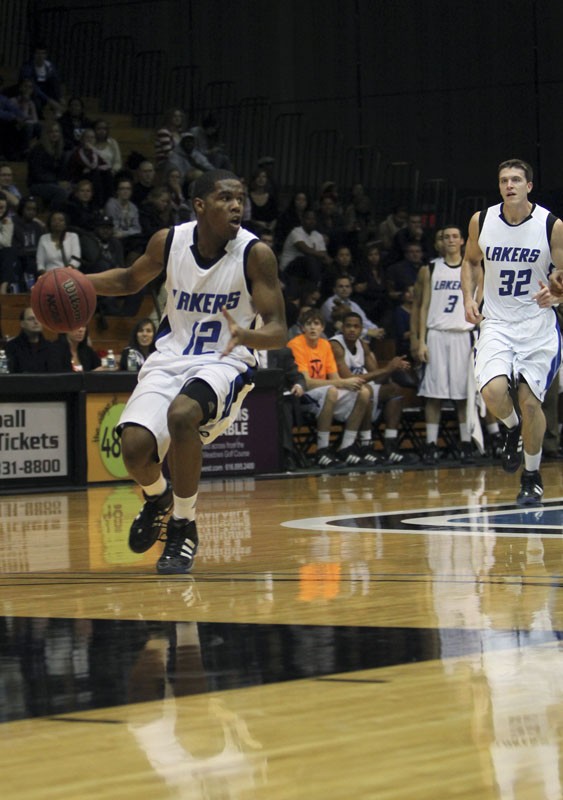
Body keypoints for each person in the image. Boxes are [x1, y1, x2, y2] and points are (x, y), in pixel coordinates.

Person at [86, 169, 287, 575]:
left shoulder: (255, 254)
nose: (237, 205)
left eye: (240, 197)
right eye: (225, 198)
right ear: (199, 205)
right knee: (134, 449)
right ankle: (158, 497)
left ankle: (183, 523)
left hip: (225, 362)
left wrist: (248, 335)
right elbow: (128, 280)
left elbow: (279, 330)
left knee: (182, 416)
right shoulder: (169, 241)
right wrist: (74, 282)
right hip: (169, 358)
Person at [462, 158, 563, 505]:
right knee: (491, 392)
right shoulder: (483, 220)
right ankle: (511, 428)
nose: (510, 185)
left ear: (529, 186)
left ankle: (531, 476)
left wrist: (558, 291)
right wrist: (468, 297)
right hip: (498, 323)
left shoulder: (551, 224)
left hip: (537, 325)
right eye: (504, 179)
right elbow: (471, 261)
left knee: (530, 404)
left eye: (517, 179)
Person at [288, 308, 374, 467]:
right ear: (302, 328)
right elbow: (306, 381)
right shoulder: (296, 344)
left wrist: (343, 383)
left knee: (363, 392)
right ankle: (322, 450)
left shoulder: (325, 345)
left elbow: (334, 377)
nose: (313, 328)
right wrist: (341, 383)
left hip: (324, 391)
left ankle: (346, 447)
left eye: (317, 324)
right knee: (333, 390)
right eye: (309, 324)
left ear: (322, 328)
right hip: (303, 394)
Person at [418, 225, 475, 463]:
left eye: (454, 236)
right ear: (439, 242)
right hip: (437, 334)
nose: (450, 240)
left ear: (462, 240)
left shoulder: (471, 268)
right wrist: (420, 341)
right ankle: (430, 443)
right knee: (434, 394)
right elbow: (422, 307)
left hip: (463, 335)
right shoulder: (430, 268)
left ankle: (465, 443)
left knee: (463, 394)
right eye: (445, 236)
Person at [330, 311, 414, 464]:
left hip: (361, 388)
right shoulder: (336, 345)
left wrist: (393, 367)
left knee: (394, 390)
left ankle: (390, 444)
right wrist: (386, 368)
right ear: (342, 328)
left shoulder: (363, 345)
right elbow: (349, 379)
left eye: (356, 326)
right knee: (366, 391)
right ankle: (365, 444)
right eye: (348, 326)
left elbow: (378, 377)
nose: (352, 330)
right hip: (342, 390)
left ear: (361, 329)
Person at [321, 274, 384, 339]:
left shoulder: (353, 304)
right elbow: (343, 327)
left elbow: (364, 321)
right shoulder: (330, 303)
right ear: (334, 289)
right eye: (341, 286)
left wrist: (376, 330)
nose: (344, 289)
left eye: (347, 286)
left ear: (351, 289)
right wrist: (368, 332)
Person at [5, 307, 67, 372]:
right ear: (22, 324)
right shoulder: (11, 347)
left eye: (39, 318)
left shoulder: (52, 348)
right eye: (31, 319)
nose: (36, 322)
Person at [27, 121, 69, 210]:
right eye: (51, 132)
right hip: (37, 184)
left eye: (57, 131)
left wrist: (63, 182)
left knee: (76, 189)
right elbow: (37, 174)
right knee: (61, 192)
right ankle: (52, 215)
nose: (54, 134)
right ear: (46, 134)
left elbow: (62, 172)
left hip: (53, 183)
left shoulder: (60, 151)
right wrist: (57, 182)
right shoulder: (38, 150)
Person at [12, 195, 45, 289]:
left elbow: (40, 247)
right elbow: (15, 249)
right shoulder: (14, 223)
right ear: (22, 209)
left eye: (34, 209)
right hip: (19, 260)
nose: (31, 212)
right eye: (28, 209)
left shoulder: (37, 226)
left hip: (34, 260)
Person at [0, 191, 16, 293]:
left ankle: (3, 289)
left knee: (9, 252)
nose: (1, 210)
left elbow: (6, 242)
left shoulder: (7, 221)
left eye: (3, 208)